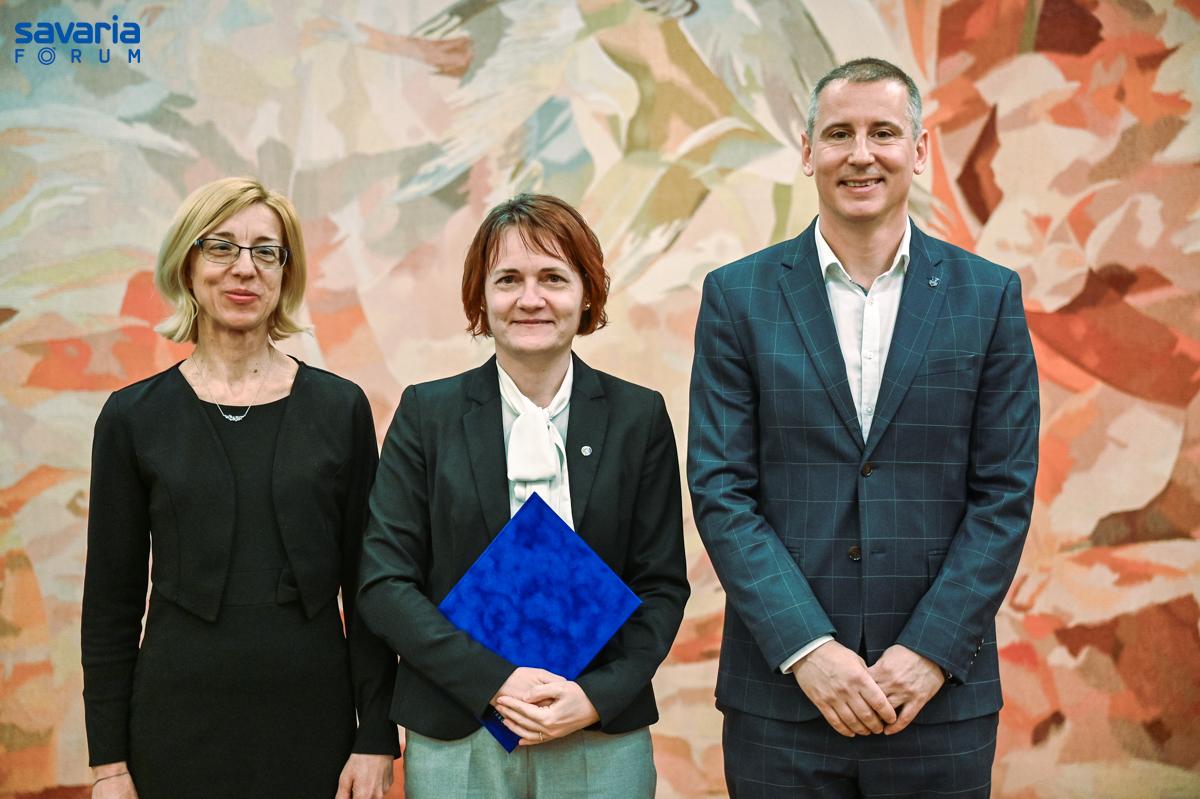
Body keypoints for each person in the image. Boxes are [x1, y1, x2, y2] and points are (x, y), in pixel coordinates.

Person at [687, 57, 1039, 797]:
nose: (861, 154)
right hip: (782, 701)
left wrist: (930, 651)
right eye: (839, 133)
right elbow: (721, 490)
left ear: (918, 150)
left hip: (938, 702)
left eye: (883, 132)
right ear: (808, 150)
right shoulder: (737, 296)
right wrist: (807, 648)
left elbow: (1004, 495)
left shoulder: (989, 297)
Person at [357, 193, 689, 798]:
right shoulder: (427, 414)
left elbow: (661, 584)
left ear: (586, 294)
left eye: (553, 278)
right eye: (508, 279)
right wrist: (494, 681)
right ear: (481, 297)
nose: (530, 298)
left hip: (597, 731)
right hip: (458, 727)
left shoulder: (638, 417)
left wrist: (596, 696)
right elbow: (385, 584)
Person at [81, 177, 399, 799]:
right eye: (221, 247)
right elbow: (111, 602)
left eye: (265, 251)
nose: (244, 268)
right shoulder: (132, 418)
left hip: (314, 721)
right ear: (188, 263)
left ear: (285, 272)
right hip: (175, 723)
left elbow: (368, 586)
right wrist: (109, 765)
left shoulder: (341, 409)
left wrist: (377, 735)